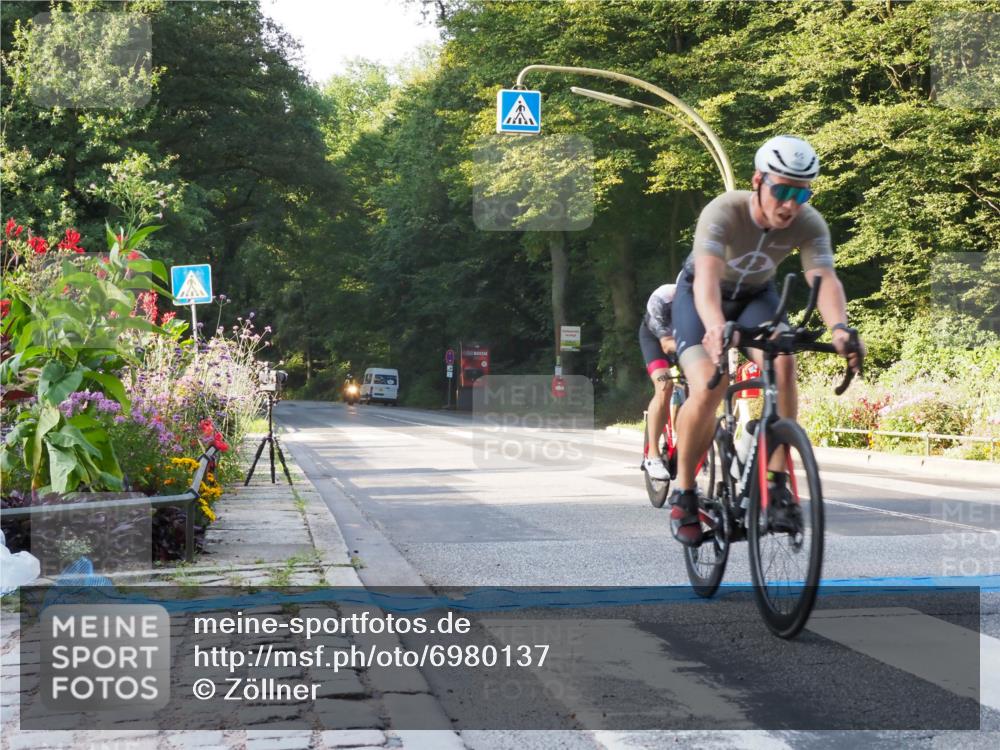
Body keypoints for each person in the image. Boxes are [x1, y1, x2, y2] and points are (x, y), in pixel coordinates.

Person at [667, 135, 865, 546]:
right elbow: (705, 276)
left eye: (802, 192)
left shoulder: (809, 223)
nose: (791, 203)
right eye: (782, 190)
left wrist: (840, 329)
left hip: (757, 297)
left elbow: (823, 278)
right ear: (758, 181)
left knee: (784, 360)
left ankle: (776, 482)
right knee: (710, 381)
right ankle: (684, 492)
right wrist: (715, 325)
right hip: (703, 297)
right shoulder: (723, 212)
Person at [639, 283, 679, 481]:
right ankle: (652, 455)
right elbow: (664, 339)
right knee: (665, 385)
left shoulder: (710, 298)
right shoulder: (663, 295)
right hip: (655, 338)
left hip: (684, 342)